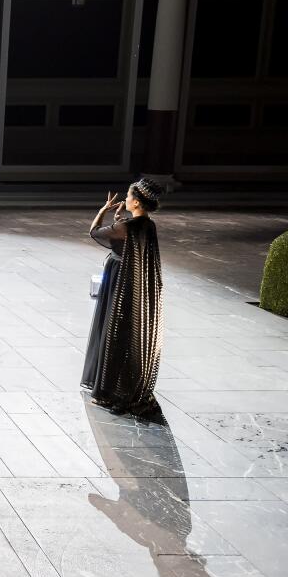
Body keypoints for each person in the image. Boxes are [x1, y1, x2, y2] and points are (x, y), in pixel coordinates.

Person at [80, 179, 166, 419]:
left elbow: (95, 233)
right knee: (126, 334)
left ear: (137, 201)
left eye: (128, 196)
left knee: (112, 331)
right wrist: (119, 219)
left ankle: (107, 390)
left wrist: (102, 211)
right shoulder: (148, 225)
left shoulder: (128, 226)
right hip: (135, 288)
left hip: (119, 282)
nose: (126, 199)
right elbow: (126, 238)